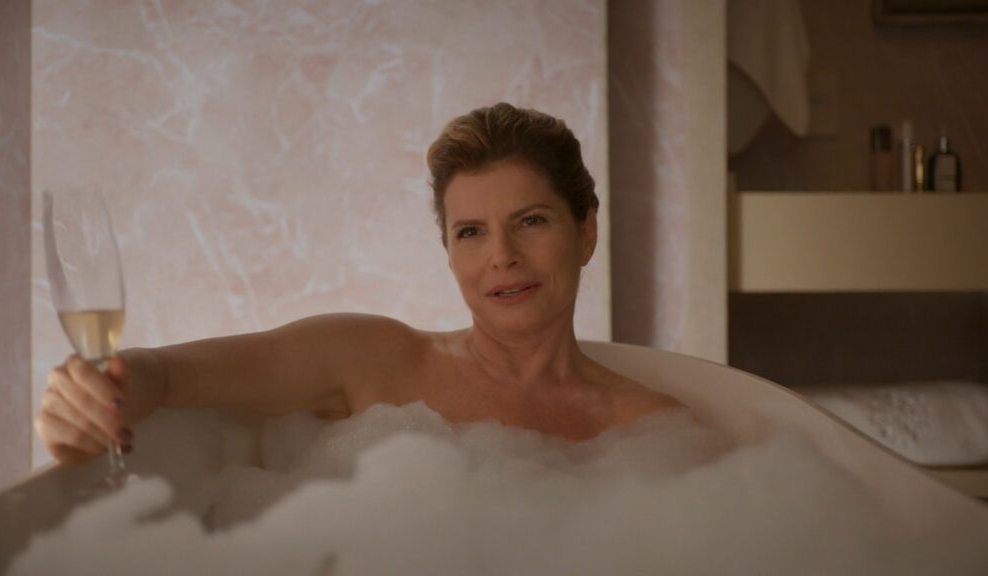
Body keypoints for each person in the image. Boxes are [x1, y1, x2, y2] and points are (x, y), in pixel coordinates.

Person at [36, 102, 683, 465]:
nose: (501, 257)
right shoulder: (372, 361)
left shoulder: (654, 431)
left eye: (531, 221)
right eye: (470, 232)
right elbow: (171, 376)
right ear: (448, 252)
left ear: (586, 231)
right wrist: (101, 392)